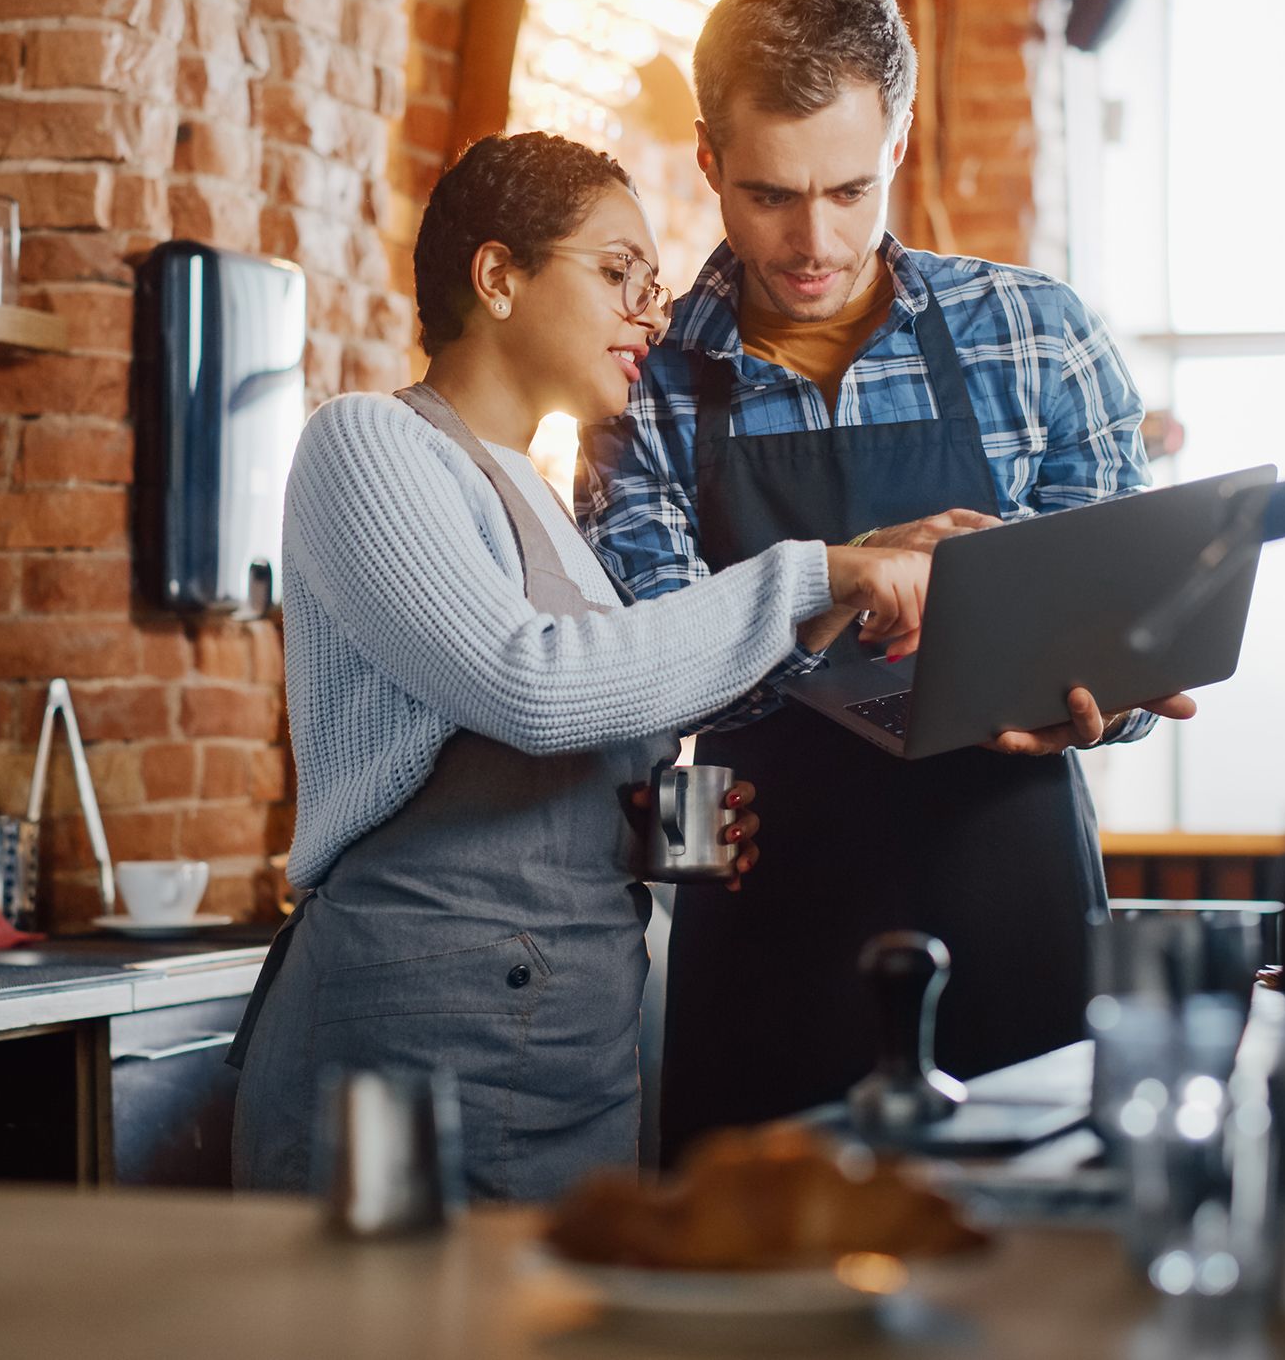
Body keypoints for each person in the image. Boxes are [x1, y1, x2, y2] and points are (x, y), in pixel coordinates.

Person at [229, 131, 932, 1203]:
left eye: (653, 286)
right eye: (619, 276)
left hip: (569, 1052)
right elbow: (533, 685)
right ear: (498, 276)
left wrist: (653, 833)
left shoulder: (546, 509)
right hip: (413, 1046)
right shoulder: (365, 443)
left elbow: (556, 743)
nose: (650, 313)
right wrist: (813, 575)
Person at [576, 0, 1200, 1161]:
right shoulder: (640, 380)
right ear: (708, 160)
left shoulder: (1036, 333)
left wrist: (1105, 702)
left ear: (899, 141)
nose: (813, 242)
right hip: (774, 910)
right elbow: (648, 666)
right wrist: (845, 577)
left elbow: (1125, 629)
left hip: (1012, 884)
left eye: (851, 189)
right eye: (769, 195)